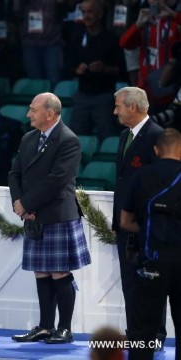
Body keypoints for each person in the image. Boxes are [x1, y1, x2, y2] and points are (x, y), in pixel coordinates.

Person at [8, 92, 91, 344]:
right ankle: (45, 326)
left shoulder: (68, 140)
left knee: (59, 273)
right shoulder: (29, 137)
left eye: (33, 110)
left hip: (58, 215)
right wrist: (18, 203)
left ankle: (64, 328)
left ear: (50, 113)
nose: (28, 114)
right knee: (41, 272)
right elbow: (15, 173)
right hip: (33, 214)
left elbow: (57, 180)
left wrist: (27, 203)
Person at [120, 128, 181, 360]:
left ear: (156, 150)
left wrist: (149, 229)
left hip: (151, 259)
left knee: (143, 330)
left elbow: (125, 221)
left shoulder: (141, 176)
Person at [111, 86, 164, 343]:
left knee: (151, 283)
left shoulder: (157, 136)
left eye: (118, 106)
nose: (115, 111)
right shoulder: (124, 136)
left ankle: (155, 333)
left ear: (133, 106)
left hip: (147, 226)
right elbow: (122, 182)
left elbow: (163, 183)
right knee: (130, 282)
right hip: (125, 224)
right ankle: (136, 332)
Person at [67, 0, 125, 141]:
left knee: (108, 137)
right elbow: (68, 66)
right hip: (82, 95)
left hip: (104, 96)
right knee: (74, 139)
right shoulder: (77, 37)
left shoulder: (111, 38)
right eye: (84, 12)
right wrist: (77, 69)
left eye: (90, 12)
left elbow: (121, 70)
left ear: (100, 14)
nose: (86, 16)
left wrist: (104, 68)